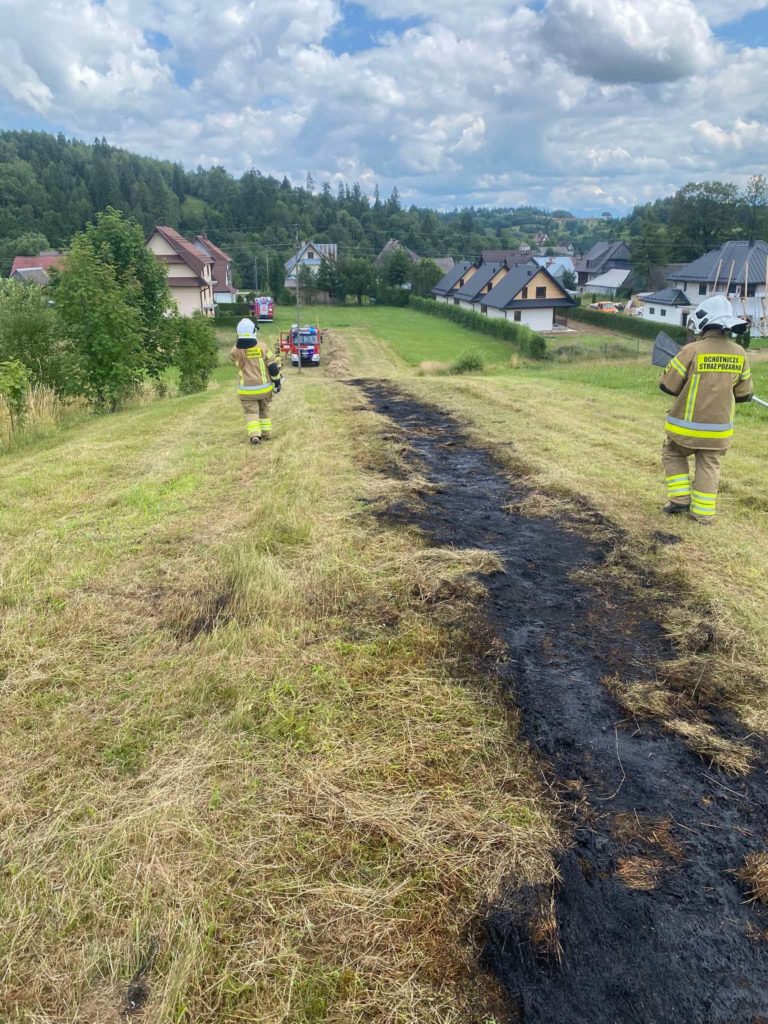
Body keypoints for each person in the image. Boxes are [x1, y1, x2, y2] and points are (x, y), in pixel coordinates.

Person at [659, 295, 753, 523]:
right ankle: (703, 514)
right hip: (718, 431)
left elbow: (668, 385)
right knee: (709, 465)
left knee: (672, 453)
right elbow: (744, 394)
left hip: (686, 428)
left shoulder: (692, 350)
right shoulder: (739, 353)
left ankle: (680, 501)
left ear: (704, 322)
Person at [230, 317, 282, 445]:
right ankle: (266, 434)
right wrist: (277, 382)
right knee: (264, 410)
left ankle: (255, 435)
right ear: (254, 331)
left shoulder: (234, 351)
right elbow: (273, 367)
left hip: (246, 391)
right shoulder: (263, 347)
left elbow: (233, 358)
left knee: (251, 412)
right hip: (264, 389)